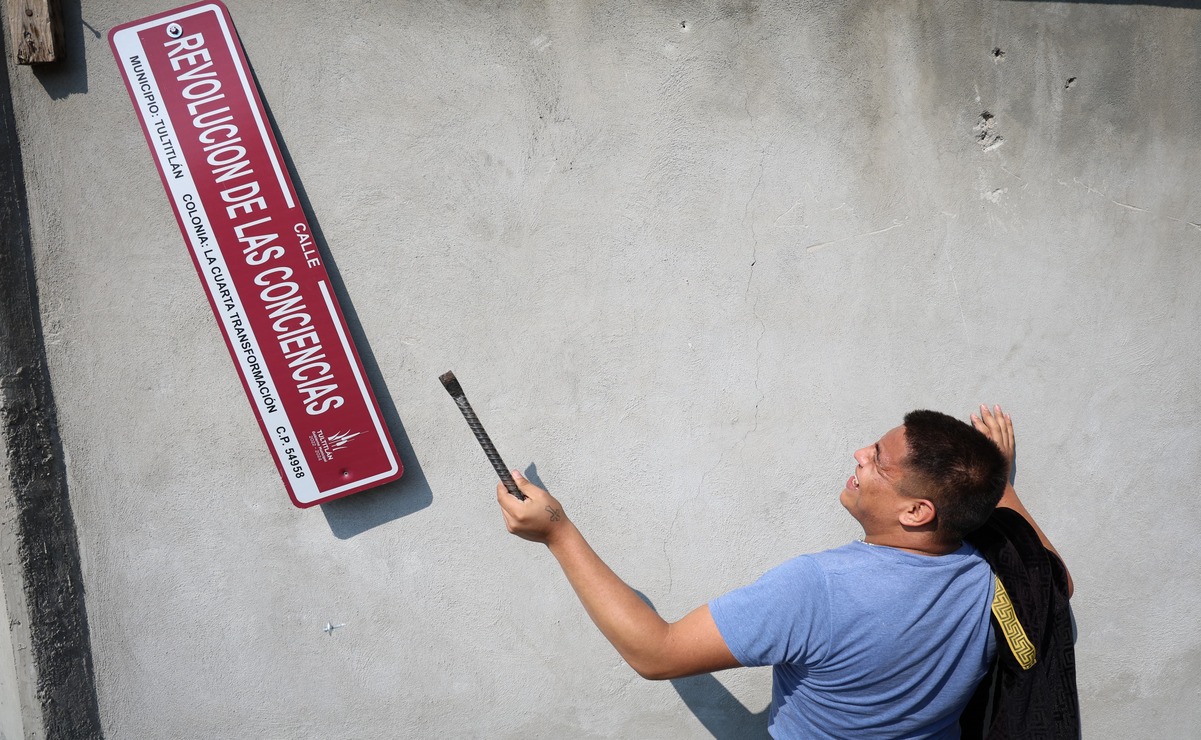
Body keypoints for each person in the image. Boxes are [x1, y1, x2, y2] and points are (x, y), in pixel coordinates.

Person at [496, 404, 1071, 739]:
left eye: (877, 459)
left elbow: (658, 653)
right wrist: (999, 486)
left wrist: (558, 533)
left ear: (917, 512)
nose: (859, 456)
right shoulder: (993, 573)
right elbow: (1055, 583)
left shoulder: (819, 591)